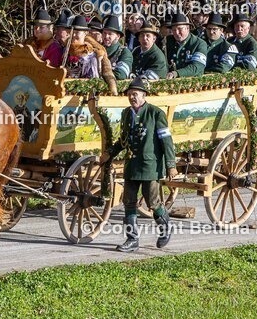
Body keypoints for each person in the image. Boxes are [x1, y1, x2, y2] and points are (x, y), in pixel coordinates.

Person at [99, 77, 176, 253]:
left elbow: (166, 141)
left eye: (135, 94)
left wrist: (171, 164)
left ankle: (165, 229)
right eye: (129, 94)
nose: (132, 97)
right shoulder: (126, 113)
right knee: (129, 202)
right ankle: (132, 239)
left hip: (150, 166)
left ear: (143, 95)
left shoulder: (155, 114)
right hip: (132, 165)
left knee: (153, 202)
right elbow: (123, 140)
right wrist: (109, 153)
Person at [63, 16, 118, 94]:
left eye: (77, 32)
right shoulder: (66, 50)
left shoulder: (91, 56)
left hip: (82, 94)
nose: (74, 35)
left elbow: (93, 81)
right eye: (73, 32)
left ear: (85, 33)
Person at [165, 12, 208, 78]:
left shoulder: (199, 44)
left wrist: (176, 73)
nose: (177, 33)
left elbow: (196, 67)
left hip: (193, 83)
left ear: (187, 28)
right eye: (174, 30)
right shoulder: (167, 42)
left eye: (180, 29)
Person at [101, 15, 133, 80]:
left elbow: (121, 75)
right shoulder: (98, 49)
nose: (106, 36)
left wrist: (98, 74)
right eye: (104, 33)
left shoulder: (124, 52)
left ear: (117, 36)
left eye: (110, 34)